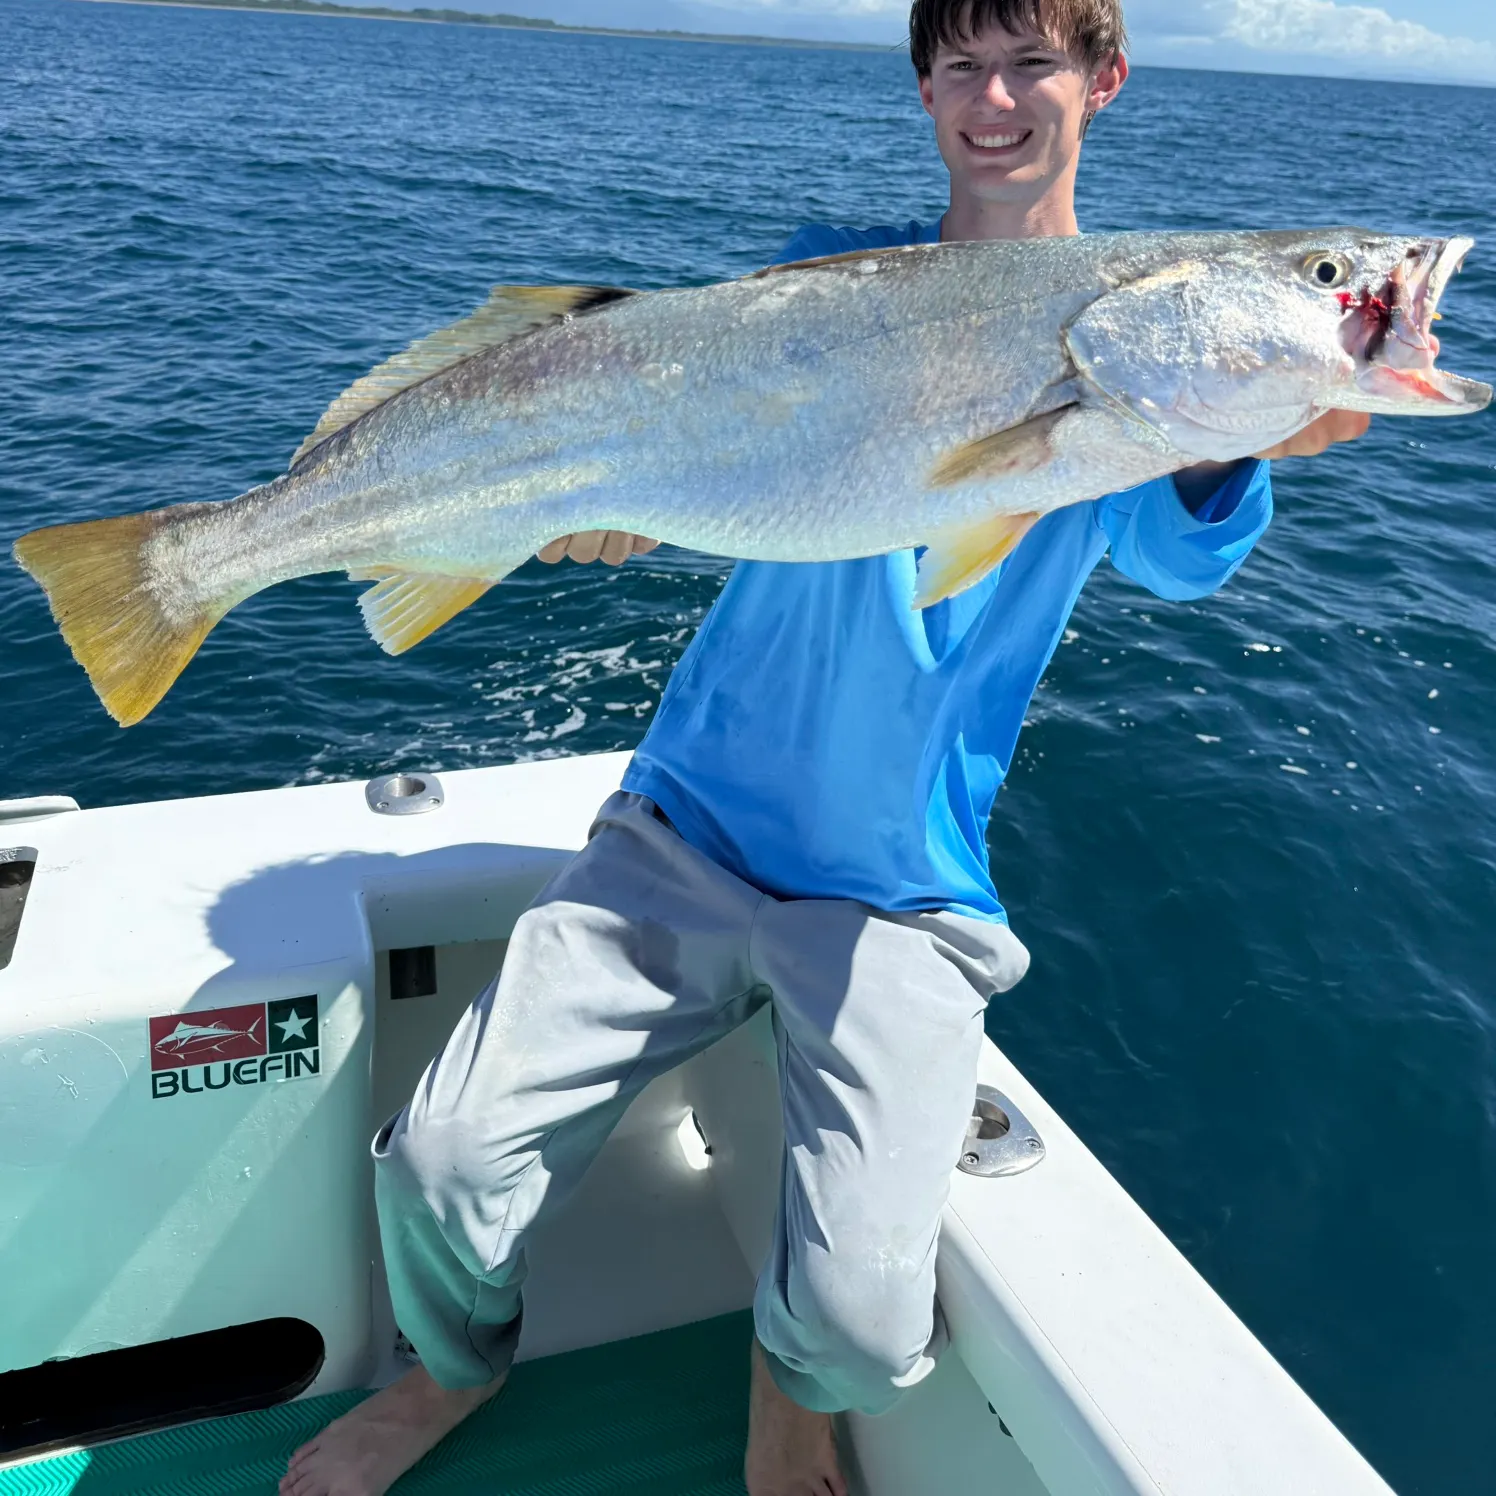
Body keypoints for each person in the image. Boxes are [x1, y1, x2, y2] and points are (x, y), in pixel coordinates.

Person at [279, 3, 1368, 1494]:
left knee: (862, 1332)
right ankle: (456, 1372)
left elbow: (1183, 562)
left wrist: (1236, 428)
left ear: (1103, 82)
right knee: (440, 1162)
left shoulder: (1137, 381)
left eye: (1034, 61)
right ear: (923, 86)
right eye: (962, 63)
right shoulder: (821, 276)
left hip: (899, 889)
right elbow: (685, 418)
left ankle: (787, 1389)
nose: (996, 97)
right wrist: (590, 493)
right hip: (683, 832)